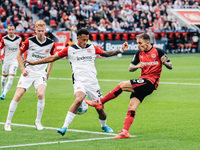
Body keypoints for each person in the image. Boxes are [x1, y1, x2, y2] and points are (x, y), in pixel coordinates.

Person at [24, 29, 128, 136]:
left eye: (87, 40)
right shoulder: (69, 49)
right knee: (78, 100)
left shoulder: (92, 47)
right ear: (77, 38)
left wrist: (121, 50)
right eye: (83, 40)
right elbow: (52, 58)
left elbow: (106, 54)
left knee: (100, 109)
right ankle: (64, 127)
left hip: (93, 83)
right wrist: (33, 62)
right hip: (79, 81)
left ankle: (103, 125)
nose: (85, 42)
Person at [86, 33, 173, 139]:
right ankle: (125, 132)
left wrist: (165, 63)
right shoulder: (139, 53)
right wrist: (137, 66)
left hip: (150, 82)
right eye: (137, 43)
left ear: (147, 43)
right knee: (132, 106)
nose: (138, 45)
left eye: (140, 43)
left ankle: (100, 102)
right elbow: (130, 68)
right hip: (143, 81)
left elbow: (170, 65)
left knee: (122, 85)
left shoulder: (158, 51)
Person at [4, 20, 55, 131]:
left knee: (41, 94)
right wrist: (22, 69)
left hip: (41, 73)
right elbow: (19, 54)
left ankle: (38, 121)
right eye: (38, 31)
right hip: (29, 72)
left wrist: (48, 72)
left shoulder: (51, 43)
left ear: (45, 30)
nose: (40, 33)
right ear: (35, 30)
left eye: (42, 31)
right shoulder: (29, 41)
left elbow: (52, 58)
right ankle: (8, 122)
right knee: (18, 95)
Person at [0, 24, 22, 100]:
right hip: (6, 61)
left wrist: (22, 58)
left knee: (11, 78)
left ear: (14, 30)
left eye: (12, 29)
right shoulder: (4, 39)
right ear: (7, 30)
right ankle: (2, 90)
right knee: (3, 79)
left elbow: (21, 49)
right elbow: (0, 48)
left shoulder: (19, 39)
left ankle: (4, 94)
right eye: (9, 29)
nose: (11, 31)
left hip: (14, 61)